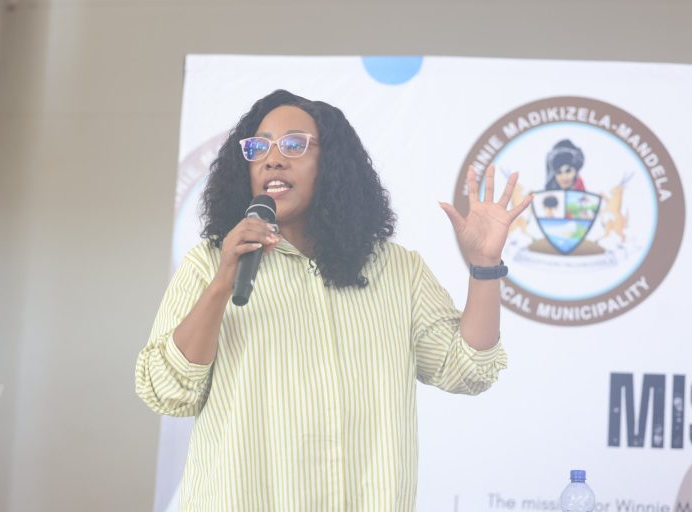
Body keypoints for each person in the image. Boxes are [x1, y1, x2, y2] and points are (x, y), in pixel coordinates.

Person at [135, 90, 532, 511]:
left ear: (331, 164)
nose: (273, 159)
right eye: (258, 147)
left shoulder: (398, 270)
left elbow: (467, 370)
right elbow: (167, 391)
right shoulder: (208, 264)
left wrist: (485, 267)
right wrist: (222, 283)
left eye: (293, 144)